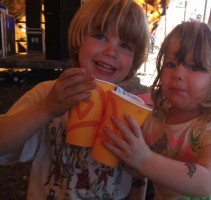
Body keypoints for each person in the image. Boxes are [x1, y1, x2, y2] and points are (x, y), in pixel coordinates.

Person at [0, 0, 150, 199]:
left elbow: (139, 179)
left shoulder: (135, 110)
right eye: (101, 36)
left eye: (125, 45)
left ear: (134, 60)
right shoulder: (48, 94)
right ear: (79, 40)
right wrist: (46, 109)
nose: (111, 52)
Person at [102, 21, 211, 199]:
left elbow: (206, 182)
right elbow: (139, 172)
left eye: (195, 67)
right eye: (171, 64)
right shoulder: (154, 120)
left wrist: (145, 160)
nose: (178, 74)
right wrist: (132, 158)